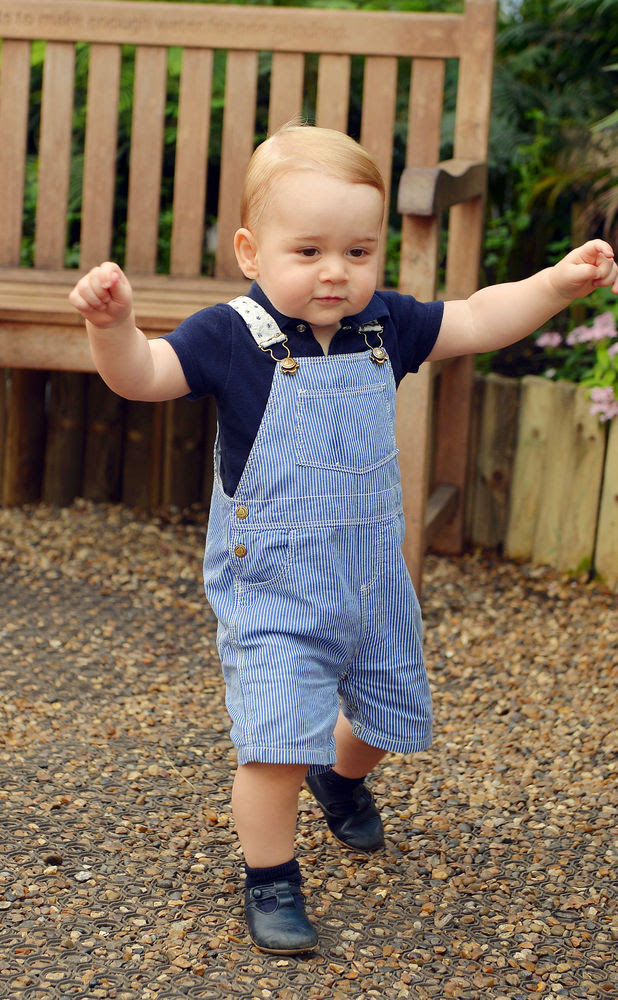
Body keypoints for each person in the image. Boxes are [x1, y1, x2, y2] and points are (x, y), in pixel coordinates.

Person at [69, 124, 618, 956]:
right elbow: (142, 376)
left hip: (370, 575)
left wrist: (553, 284)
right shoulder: (229, 335)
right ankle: (271, 878)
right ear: (251, 252)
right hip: (274, 585)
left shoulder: (383, 324)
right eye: (310, 251)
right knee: (274, 745)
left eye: (359, 252)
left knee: (390, 716)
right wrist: (113, 326)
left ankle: (340, 774)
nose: (337, 272)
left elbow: (475, 318)